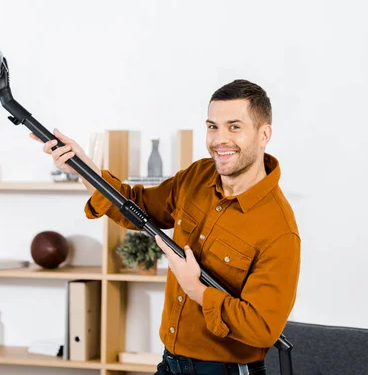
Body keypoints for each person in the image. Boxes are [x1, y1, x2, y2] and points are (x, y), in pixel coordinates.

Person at [30, 79, 300, 375]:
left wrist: (195, 289)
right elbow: (137, 206)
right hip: (170, 364)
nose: (219, 140)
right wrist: (84, 167)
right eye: (213, 127)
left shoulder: (279, 229)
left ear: (264, 135)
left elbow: (262, 328)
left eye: (234, 127)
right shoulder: (198, 175)